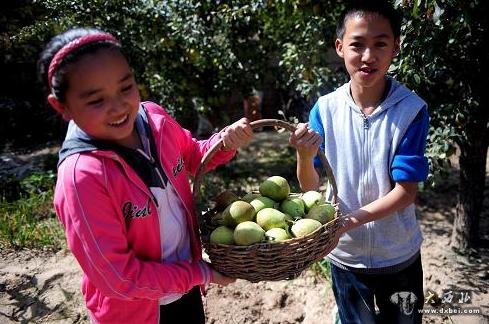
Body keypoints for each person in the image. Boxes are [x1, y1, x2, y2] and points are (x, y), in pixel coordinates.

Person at [37, 27, 254, 324]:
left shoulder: (155, 120)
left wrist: (224, 143)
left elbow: (193, 156)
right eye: (96, 100)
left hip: (185, 290)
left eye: (126, 87)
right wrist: (200, 272)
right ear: (61, 106)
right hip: (134, 313)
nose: (118, 107)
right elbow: (118, 278)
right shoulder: (81, 178)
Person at [290, 1, 429, 323]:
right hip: (346, 256)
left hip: (398, 253)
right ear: (340, 47)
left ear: (396, 47)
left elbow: (406, 191)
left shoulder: (411, 110)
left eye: (381, 43)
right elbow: (310, 188)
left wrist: (348, 222)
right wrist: (304, 156)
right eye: (357, 44)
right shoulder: (324, 109)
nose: (368, 56)